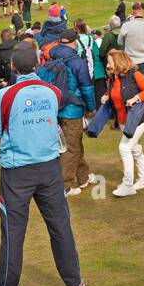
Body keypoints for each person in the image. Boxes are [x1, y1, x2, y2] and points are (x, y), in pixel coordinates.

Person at [0, 44, 85, 286]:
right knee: (60, 224)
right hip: (48, 166)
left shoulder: (6, 95)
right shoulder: (51, 92)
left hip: (19, 170)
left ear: (13, 67)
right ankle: (74, 281)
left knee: (13, 233)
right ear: (37, 65)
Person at [43, 32, 98, 196]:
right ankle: (65, 185)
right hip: (72, 110)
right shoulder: (77, 62)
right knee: (71, 147)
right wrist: (91, 108)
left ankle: (83, 177)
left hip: (55, 108)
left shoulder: (50, 58)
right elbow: (87, 88)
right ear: (74, 43)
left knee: (74, 143)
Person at [101, 49, 144, 197]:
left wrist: (136, 98)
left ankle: (127, 185)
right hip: (122, 121)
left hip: (137, 120)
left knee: (124, 147)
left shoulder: (134, 75)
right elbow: (115, 93)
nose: (107, 65)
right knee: (135, 149)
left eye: (110, 62)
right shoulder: (114, 78)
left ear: (118, 62)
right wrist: (106, 96)